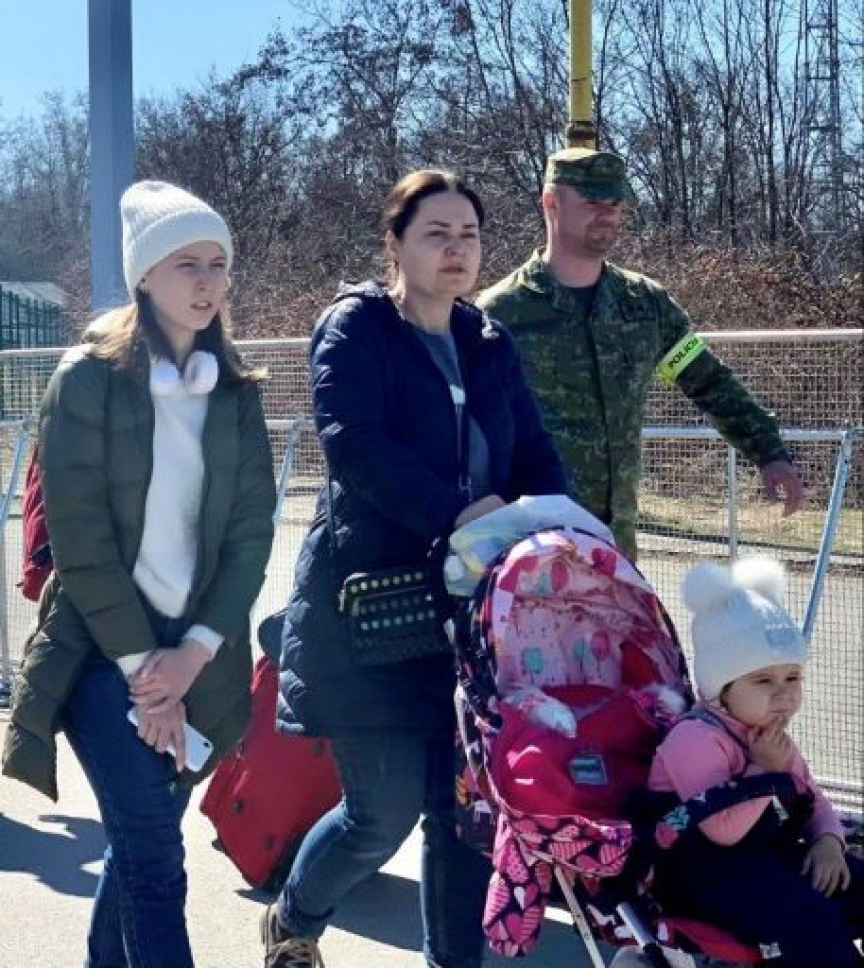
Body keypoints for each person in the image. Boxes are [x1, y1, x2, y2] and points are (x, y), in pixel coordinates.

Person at [262, 169, 569, 968]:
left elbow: (534, 451)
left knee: (461, 813)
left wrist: (562, 525)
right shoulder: (356, 328)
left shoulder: (488, 340)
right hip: (371, 613)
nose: (456, 249)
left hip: (471, 618)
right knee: (381, 813)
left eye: (469, 235)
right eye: (437, 233)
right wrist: (457, 514)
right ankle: (295, 917)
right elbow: (355, 447)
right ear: (394, 243)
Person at [2, 180, 277, 968]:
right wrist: (146, 675)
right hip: (100, 651)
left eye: (218, 265)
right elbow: (80, 542)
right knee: (157, 862)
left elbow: (251, 534)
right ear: (144, 276)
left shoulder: (233, 391)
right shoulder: (86, 379)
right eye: (187, 264)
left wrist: (192, 654)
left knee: (135, 850)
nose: (207, 282)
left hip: (201, 656)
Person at [477, 147, 805, 561]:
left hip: (618, 548)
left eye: (615, 203)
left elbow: (708, 381)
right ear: (551, 201)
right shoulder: (500, 314)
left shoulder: (645, 306)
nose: (607, 214)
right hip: (532, 551)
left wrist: (769, 452)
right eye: (592, 201)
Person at [647, 555, 863, 968]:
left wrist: (828, 842)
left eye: (792, 677)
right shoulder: (694, 738)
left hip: (761, 860)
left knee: (851, 885)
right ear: (721, 689)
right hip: (701, 875)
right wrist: (765, 770)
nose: (784, 694)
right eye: (763, 680)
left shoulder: (766, 735)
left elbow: (812, 798)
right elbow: (722, 832)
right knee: (808, 915)